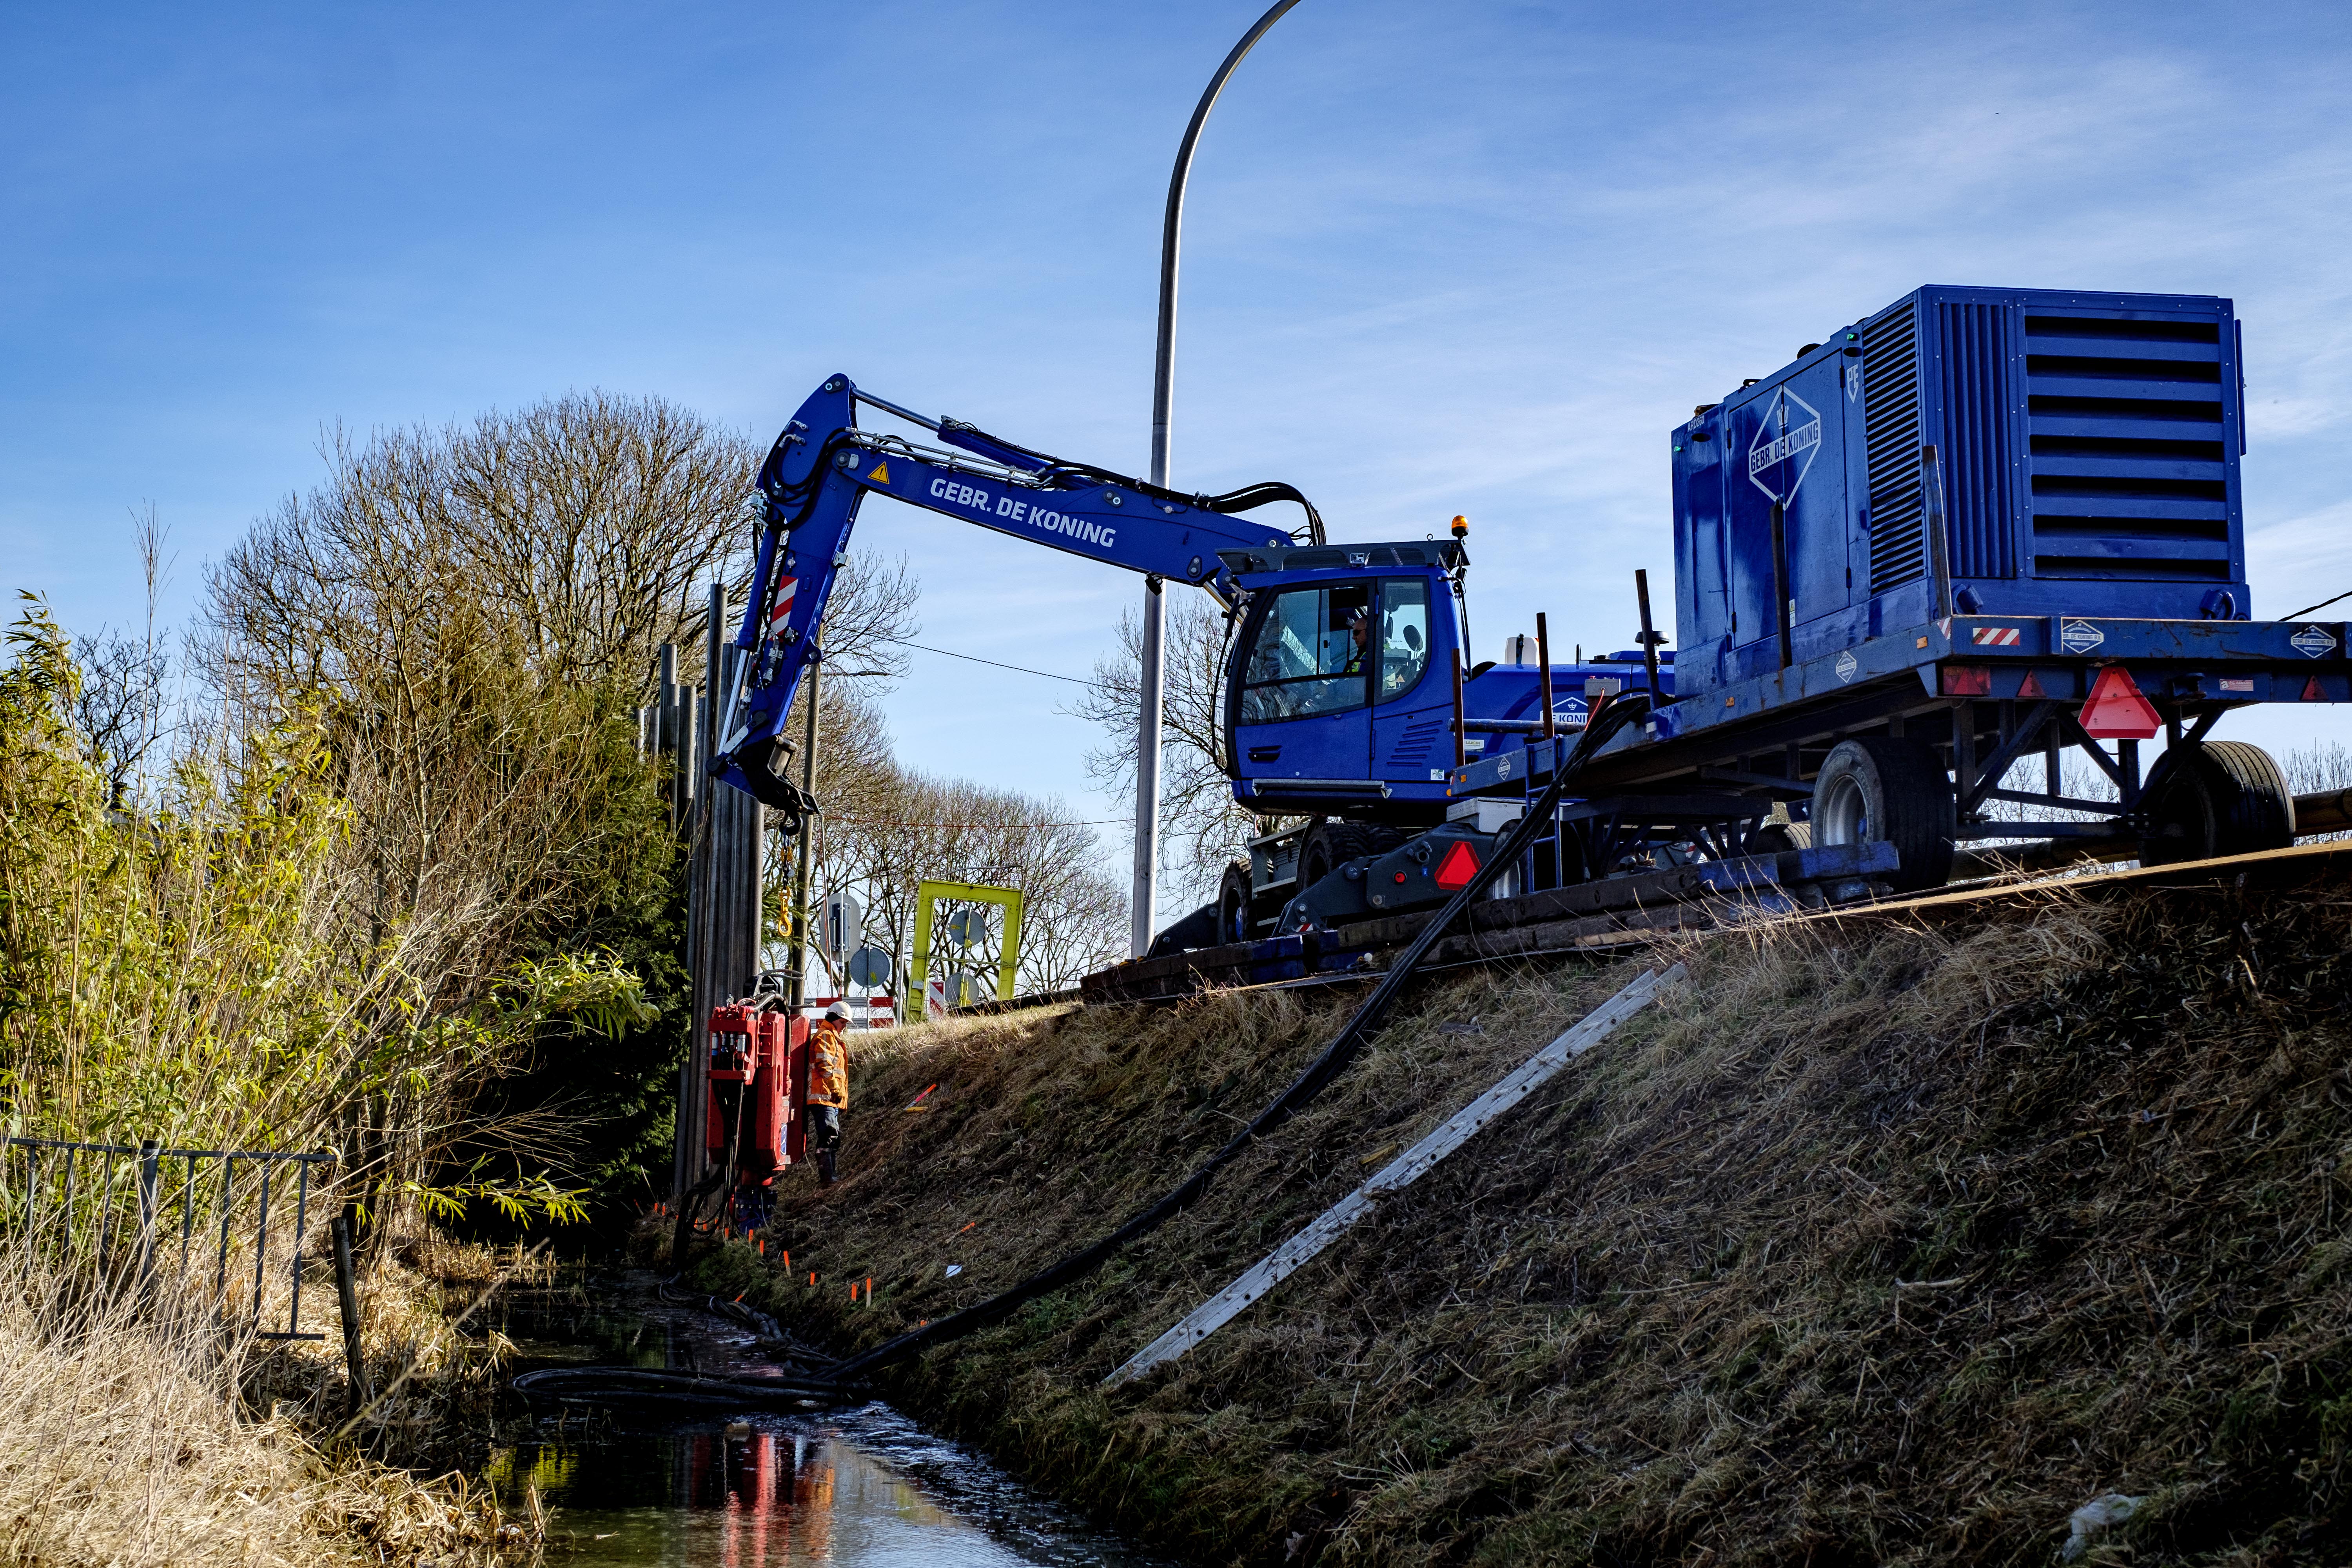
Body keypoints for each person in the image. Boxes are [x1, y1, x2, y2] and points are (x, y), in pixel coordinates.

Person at [805, 999, 851, 1185]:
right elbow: (824, 1064)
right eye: (843, 1023)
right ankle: (828, 1179)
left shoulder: (831, 1036)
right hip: (824, 1097)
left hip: (829, 1098)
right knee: (829, 1136)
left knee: (833, 1137)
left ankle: (831, 1177)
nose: (844, 1027)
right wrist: (835, 1088)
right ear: (834, 1019)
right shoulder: (826, 1036)